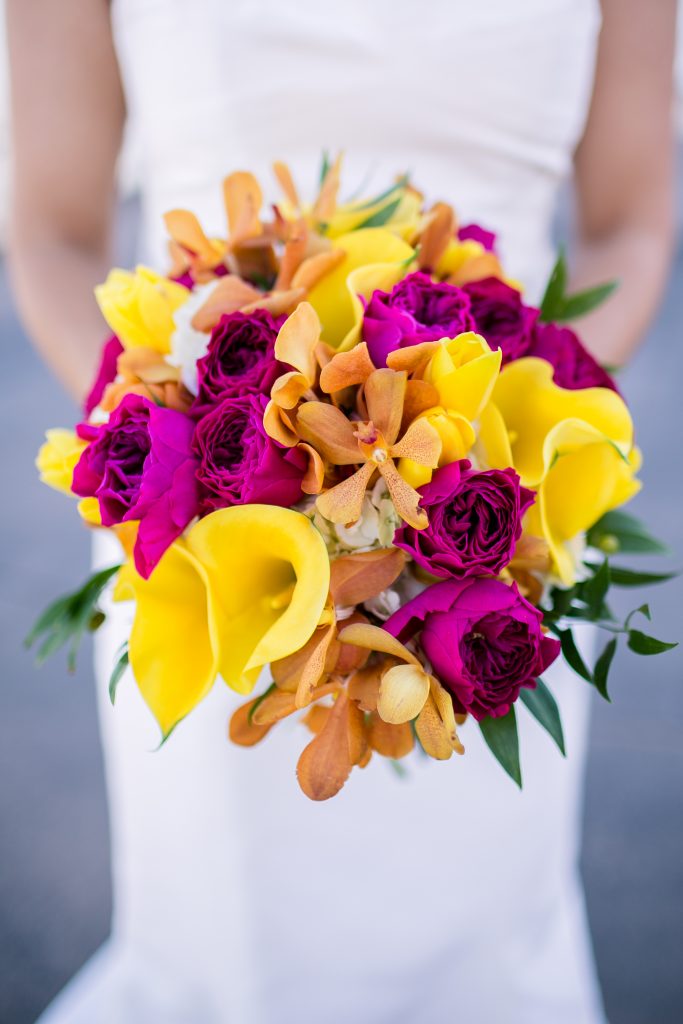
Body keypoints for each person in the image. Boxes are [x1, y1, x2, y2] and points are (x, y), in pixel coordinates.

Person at [7, 1, 676, 1022]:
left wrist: (502, 437)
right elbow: (53, 237)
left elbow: (628, 219)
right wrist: (182, 450)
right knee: (231, 944)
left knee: (481, 931)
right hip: (206, 529)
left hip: (501, 522)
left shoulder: (498, 492)